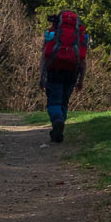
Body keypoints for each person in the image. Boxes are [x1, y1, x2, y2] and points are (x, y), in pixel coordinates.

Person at [39, 9, 90, 143]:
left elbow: (44, 57)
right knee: (64, 102)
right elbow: (83, 61)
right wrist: (81, 80)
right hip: (72, 72)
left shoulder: (52, 33)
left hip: (54, 70)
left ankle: (57, 121)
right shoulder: (80, 35)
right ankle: (60, 126)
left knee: (53, 102)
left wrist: (41, 77)